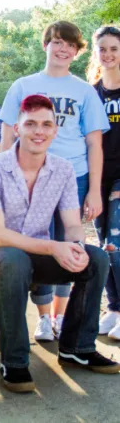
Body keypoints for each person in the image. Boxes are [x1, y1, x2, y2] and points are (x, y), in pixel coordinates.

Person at [0, 94, 119, 393]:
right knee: (14, 259)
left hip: (34, 254)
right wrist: (54, 247)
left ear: (55, 130)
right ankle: (14, 361)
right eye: (31, 124)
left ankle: (77, 347)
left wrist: (77, 247)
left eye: (46, 124)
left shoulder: (62, 169)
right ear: (17, 128)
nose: (39, 131)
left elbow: (73, 224)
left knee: (96, 259)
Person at [0, 21, 109, 342]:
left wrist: (94, 190)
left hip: (73, 178)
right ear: (46, 44)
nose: (63, 49)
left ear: (77, 52)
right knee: (39, 246)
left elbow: (94, 143)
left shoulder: (85, 90)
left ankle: (61, 316)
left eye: (71, 46)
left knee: (71, 247)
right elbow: (8, 132)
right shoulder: (23, 85)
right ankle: (44, 318)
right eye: (58, 42)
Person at [86, 25, 120, 339]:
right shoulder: (92, 92)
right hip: (99, 175)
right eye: (103, 49)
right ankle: (114, 307)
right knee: (105, 245)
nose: (108, 55)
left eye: (114, 48)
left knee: (118, 240)